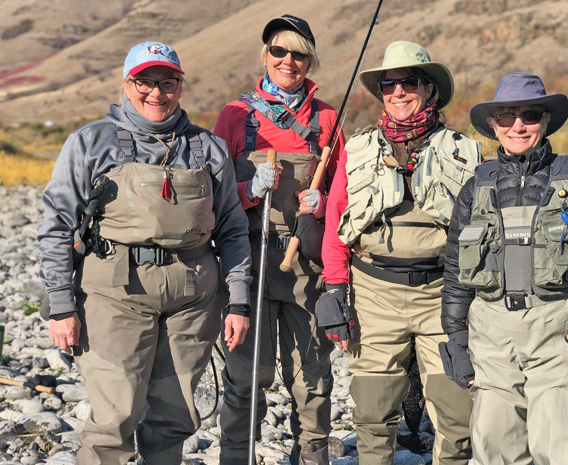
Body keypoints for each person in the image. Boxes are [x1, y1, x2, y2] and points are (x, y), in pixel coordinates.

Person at [37, 41, 252, 465]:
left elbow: (232, 228)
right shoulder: (89, 143)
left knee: (175, 417)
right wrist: (62, 307)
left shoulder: (209, 148)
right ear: (126, 84)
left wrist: (239, 300)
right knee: (115, 417)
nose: (156, 93)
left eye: (167, 82)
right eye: (144, 82)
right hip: (114, 295)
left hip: (193, 299)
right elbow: (56, 226)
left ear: (180, 86)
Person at [441, 71, 568, 464]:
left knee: (561, 448)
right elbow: (457, 273)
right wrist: (456, 341)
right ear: (493, 125)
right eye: (507, 116)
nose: (517, 125)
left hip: (559, 330)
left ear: (545, 120)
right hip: (490, 334)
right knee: (494, 448)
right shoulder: (475, 187)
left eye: (528, 115)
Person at [319, 41, 481, 465]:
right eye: (388, 84)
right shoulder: (357, 150)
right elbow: (338, 222)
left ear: (429, 89)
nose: (398, 91)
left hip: (444, 295)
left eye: (408, 82)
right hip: (373, 293)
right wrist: (335, 288)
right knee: (372, 416)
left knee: (457, 414)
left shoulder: (465, 151)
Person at [212, 15, 345, 465]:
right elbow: (208, 196)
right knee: (247, 372)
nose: (288, 61)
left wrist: (322, 200)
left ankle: (310, 456)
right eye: (278, 51)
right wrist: (249, 190)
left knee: (311, 375)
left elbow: (344, 194)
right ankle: (236, 456)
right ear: (265, 55)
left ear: (310, 60)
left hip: (305, 262)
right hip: (245, 261)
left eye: (299, 54)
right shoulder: (235, 115)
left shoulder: (328, 118)